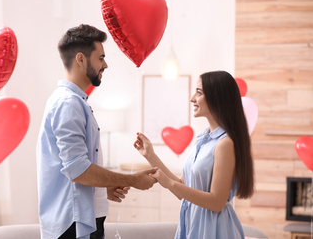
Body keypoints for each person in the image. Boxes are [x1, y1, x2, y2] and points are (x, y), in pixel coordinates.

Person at [36, 24, 157, 239]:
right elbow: (78, 170)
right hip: (73, 224)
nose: (105, 64)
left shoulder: (75, 102)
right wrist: (133, 180)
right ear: (81, 59)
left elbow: (76, 170)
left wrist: (102, 189)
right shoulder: (68, 104)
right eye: (100, 58)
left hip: (81, 218)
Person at [134, 70, 254, 239]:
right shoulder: (203, 140)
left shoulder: (225, 144)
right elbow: (181, 187)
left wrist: (169, 183)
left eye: (199, 93)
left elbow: (217, 202)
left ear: (216, 97)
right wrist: (150, 156)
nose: (192, 98)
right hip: (193, 223)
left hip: (214, 228)